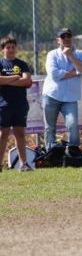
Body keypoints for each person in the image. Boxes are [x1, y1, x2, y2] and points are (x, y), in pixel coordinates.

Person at [42, 28, 82, 153]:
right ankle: (50, 152)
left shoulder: (81, 54)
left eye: (69, 36)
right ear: (58, 40)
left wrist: (70, 56)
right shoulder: (52, 54)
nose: (66, 38)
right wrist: (75, 72)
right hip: (51, 95)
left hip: (70, 98)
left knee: (72, 124)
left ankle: (73, 151)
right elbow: (54, 74)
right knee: (50, 127)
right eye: (63, 37)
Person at [0, 36, 33, 171]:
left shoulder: (22, 64)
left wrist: (6, 81)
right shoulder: (1, 63)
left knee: (19, 134)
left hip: (20, 105)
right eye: (8, 47)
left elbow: (26, 81)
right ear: (2, 49)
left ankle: (23, 164)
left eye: (13, 47)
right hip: (3, 105)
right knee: (3, 134)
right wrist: (14, 77)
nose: (11, 49)